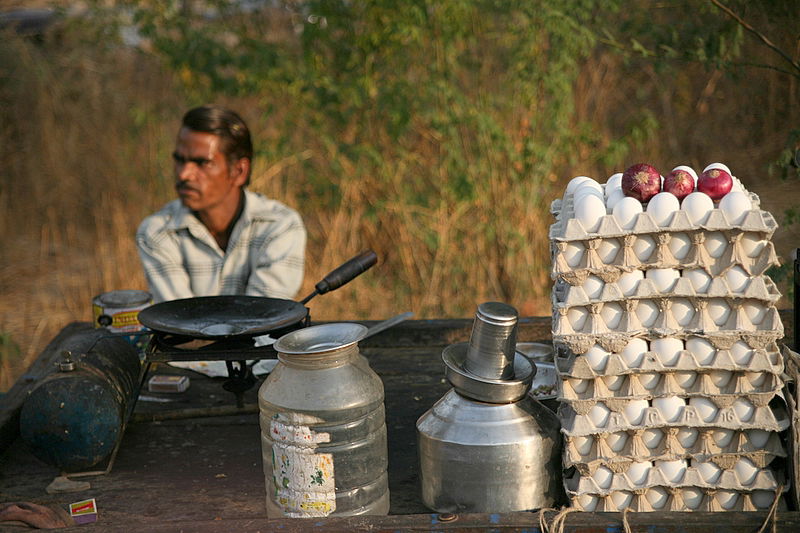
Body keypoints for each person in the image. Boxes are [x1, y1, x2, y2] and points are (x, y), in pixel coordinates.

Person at [136, 105, 306, 303]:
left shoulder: (279, 226)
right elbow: (179, 317)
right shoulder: (158, 232)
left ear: (239, 171)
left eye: (202, 163)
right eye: (180, 160)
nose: (184, 174)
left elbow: (265, 315)